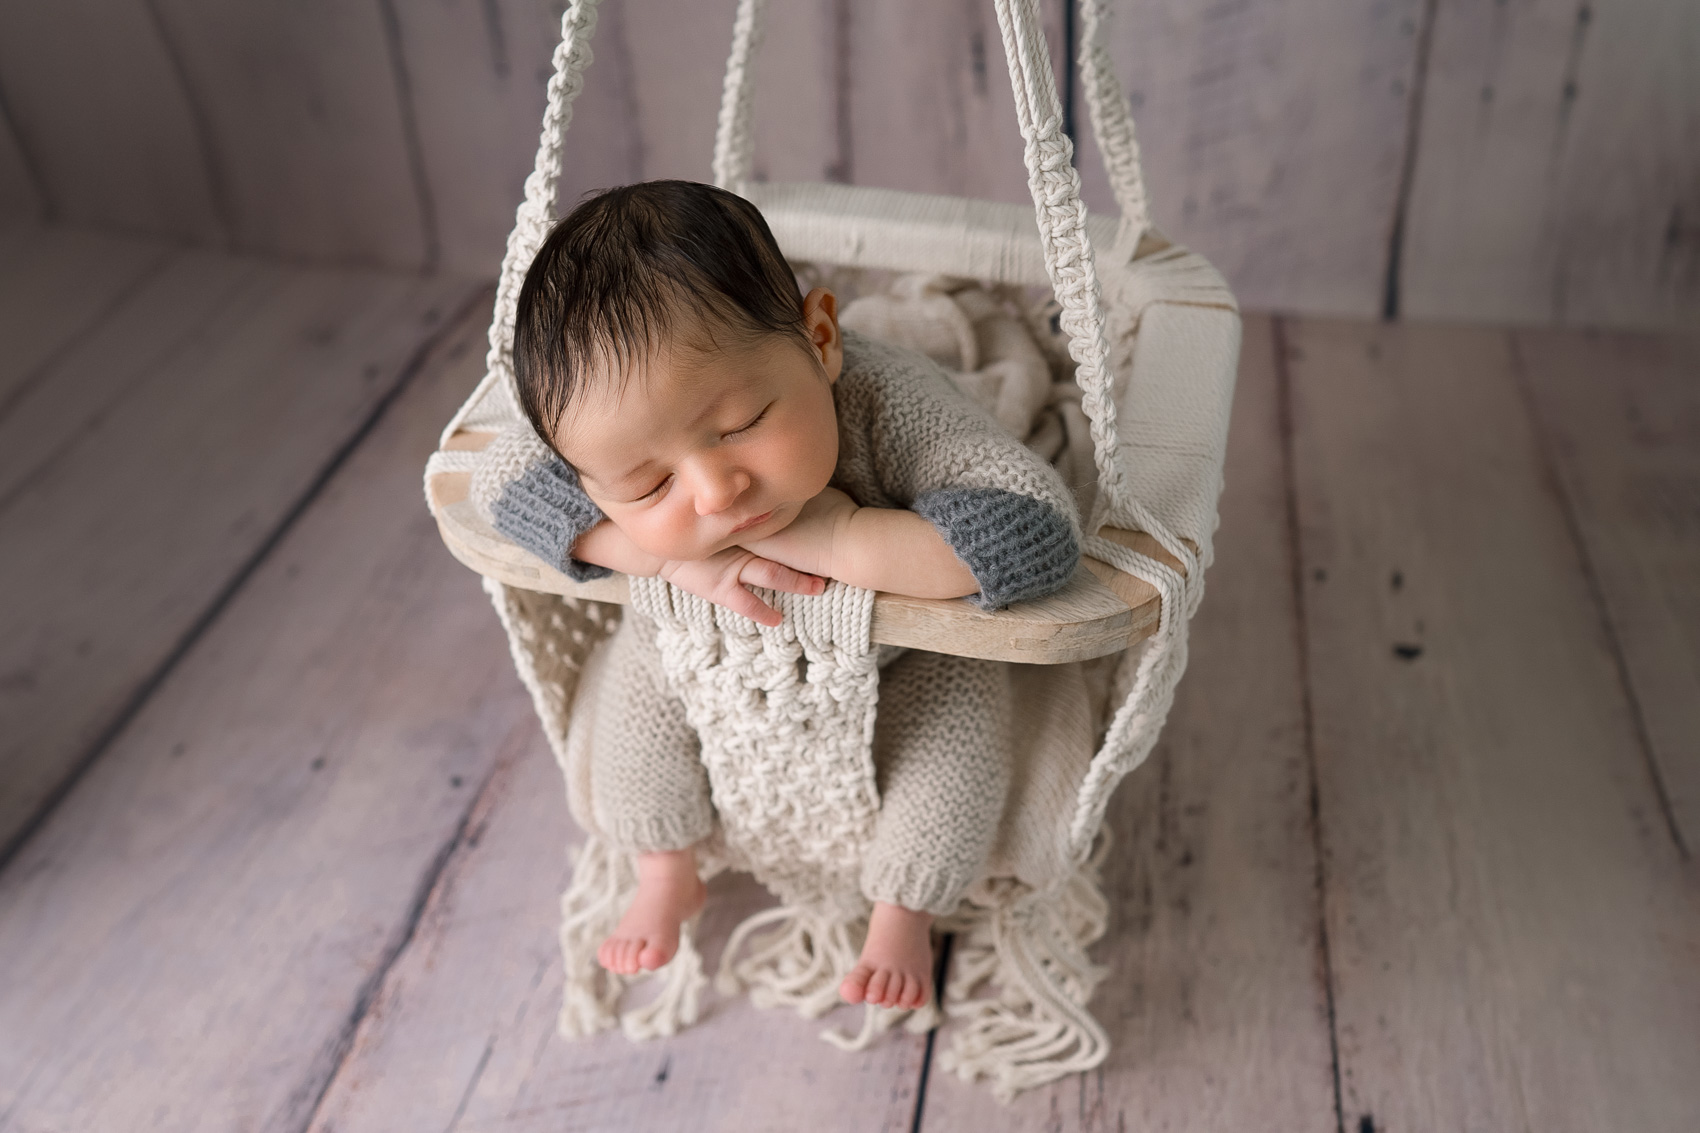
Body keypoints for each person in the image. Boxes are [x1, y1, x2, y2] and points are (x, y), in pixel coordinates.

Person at [470, 180, 1080, 1012]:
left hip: (896, 662)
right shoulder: (616, 455)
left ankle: (903, 910)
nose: (716, 493)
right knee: (632, 715)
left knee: (958, 744)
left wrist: (840, 539)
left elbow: (1032, 529)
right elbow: (500, 482)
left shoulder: (886, 399)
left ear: (820, 339)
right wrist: (661, 560)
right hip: (690, 645)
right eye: (648, 483)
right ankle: (666, 869)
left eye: (741, 424)